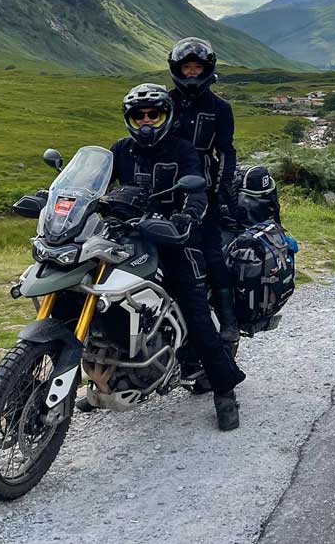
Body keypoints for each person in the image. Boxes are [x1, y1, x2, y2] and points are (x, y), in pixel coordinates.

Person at [109, 82, 245, 430]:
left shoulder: (184, 150)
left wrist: (186, 217)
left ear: (166, 116)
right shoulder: (121, 150)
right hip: (127, 237)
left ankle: (224, 389)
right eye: (138, 116)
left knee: (194, 308)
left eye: (153, 114)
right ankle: (102, 376)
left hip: (171, 239)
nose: (146, 122)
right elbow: (98, 185)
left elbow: (197, 188)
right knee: (99, 298)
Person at [166, 38, 239, 347]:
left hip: (203, 191)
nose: (192, 73)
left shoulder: (220, 108)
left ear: (207, 70)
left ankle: (228, 321)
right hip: (164, 187)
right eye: (187, 67)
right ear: (177, 69)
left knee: (211, 255)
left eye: (197, 67)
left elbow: (226, 151)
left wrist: (221, 193)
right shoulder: (164, 102)